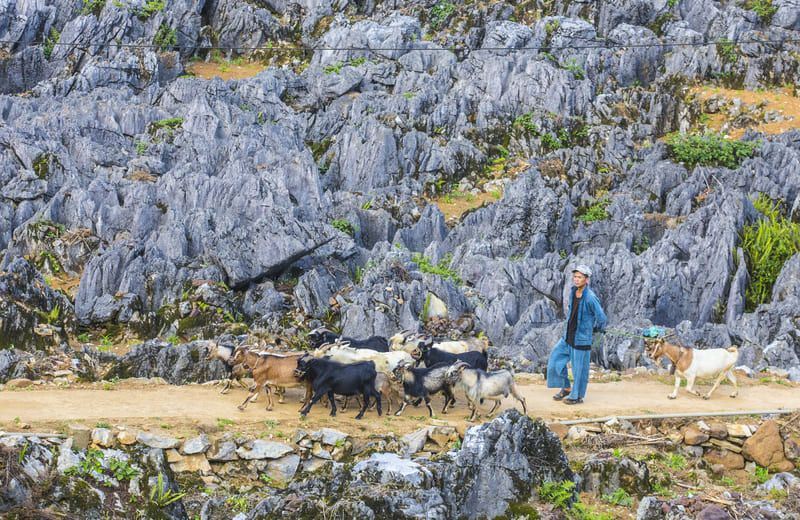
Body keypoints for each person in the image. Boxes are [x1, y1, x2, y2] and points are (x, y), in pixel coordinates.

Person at [546, 264, 607, 405]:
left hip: (581, 339)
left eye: (580, 277)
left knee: (579, 370)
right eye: (575, 276)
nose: (576, 279)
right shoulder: (574, 292)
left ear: (587, 280)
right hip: (568, 336)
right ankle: (566, 387)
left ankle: (577, 396)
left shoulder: (590, 298)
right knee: (555, 359)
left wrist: (596, 329)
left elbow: (602, 317)